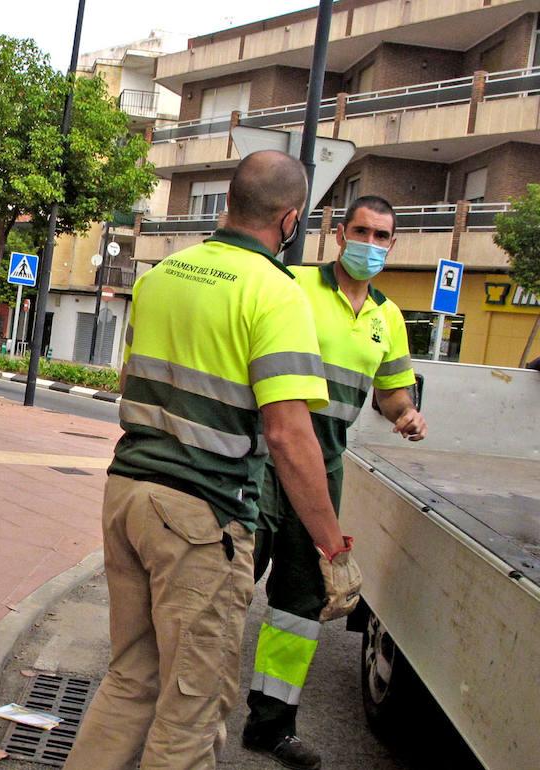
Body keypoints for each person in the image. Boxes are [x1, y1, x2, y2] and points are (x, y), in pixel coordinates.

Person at [65, 150, 355, 770]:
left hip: (129, 493)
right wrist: (333, 545)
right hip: (201, 516)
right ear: (291, 220)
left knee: (132, 679)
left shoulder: (161, 275)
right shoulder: (275, 295)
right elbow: (288, 436)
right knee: (193, 707)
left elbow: (130, 381)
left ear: (228, 201)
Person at [242, 195, 426, 770]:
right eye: (362, 232)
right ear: (339, 233)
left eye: (382, 237)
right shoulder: (290, 283)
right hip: (264, 456)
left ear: (392, 245)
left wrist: (405, 414)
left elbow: (391, 391)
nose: (371, 244)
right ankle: (181, 702)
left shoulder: (387, 318)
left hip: (324, 469)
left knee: (299, 604)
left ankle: (271, 725)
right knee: (223, 587)